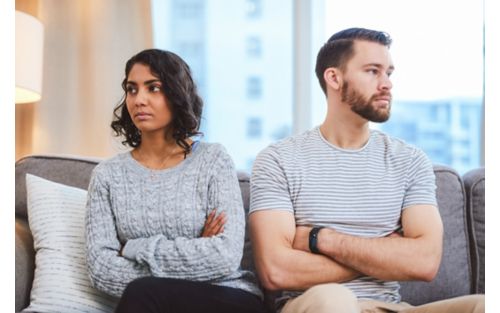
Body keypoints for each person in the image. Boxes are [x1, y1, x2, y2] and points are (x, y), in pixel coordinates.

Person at [249, 28, 484, 313]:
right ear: (334, 78)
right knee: (336, 300)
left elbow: (425, 262)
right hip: (317, 304)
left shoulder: (409, 161)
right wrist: (383, 254)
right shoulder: (278, 159)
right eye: (373, 71)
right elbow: (276, 271)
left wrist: (321, 239)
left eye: (389, 73)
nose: (386, 84)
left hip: (392, 308)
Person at [85, 49, 265, 313]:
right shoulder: (107, 175)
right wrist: (197, 249)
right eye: (132, 90)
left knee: (143, 290)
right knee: (145, 292)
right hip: (152, 302)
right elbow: (101, 269)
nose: (139, 100)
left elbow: (225, 257)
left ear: (176, 93)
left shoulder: (213, 160)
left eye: (153, 88)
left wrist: (136, 247)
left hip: (226, 296)